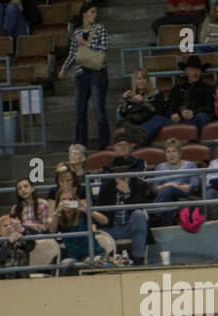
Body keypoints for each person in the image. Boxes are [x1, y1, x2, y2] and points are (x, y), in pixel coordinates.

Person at [58, 2, 109, 150]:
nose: (94, 15)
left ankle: (104, 143)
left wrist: (86, 43)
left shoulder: (100, 29)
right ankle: (80, 142)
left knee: (98, 108)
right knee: (80, 109)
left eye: (95, 12)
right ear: (84, 14)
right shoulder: (76, 32)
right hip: (82, 73)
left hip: (97, 71)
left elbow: (104, 49)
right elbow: (73, 54)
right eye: (92, 12)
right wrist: (64, 69)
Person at [95, 157, 152, 264]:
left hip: (131, 228)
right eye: (117, 173)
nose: (121, 176)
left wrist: (127, 194)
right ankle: (105, 262)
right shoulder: (106, 187)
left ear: (129, 172)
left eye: (124, 172)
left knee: (138, 215)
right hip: (111, 228)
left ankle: (138, 258)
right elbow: (100, 211)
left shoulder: (139, 185)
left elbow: (139, 207)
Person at [147, 137, 200, 225]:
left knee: (169, 189)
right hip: (166, 197)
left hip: (183, 194)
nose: (171, 155)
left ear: (180, 153)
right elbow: (155, 189)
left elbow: (194, 186)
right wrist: (167, 185)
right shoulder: (160, 167)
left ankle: (153, 213)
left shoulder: (190, 165)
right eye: (168, 152)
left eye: (174, 151)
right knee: (168, 196)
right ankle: (165, 225)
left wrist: (175, 186)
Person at [167, 54, 215, 135]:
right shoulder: (177, 88)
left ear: (201, 72)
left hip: (198, 118)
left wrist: (194, 112)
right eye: (192, 69)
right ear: (186, 71)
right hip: (181, 119)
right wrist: (176, 113)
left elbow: (210, 108)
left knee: (202, 117)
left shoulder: (208, 88)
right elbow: (170, 106)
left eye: (198, 69)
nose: (195, 72)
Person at [117, 68, 161, 142]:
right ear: (135, 81)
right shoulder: (130, 96)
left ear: (148, 81)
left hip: (148, 121)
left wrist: (143, 101)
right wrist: (123, 99)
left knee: (158, 119)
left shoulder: (156, 94)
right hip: (134, 123)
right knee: (120, 121)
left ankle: (139, 134)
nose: (142, 81)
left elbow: (158, 111)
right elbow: (122, 114)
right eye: (139, 79)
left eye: (144, 78)